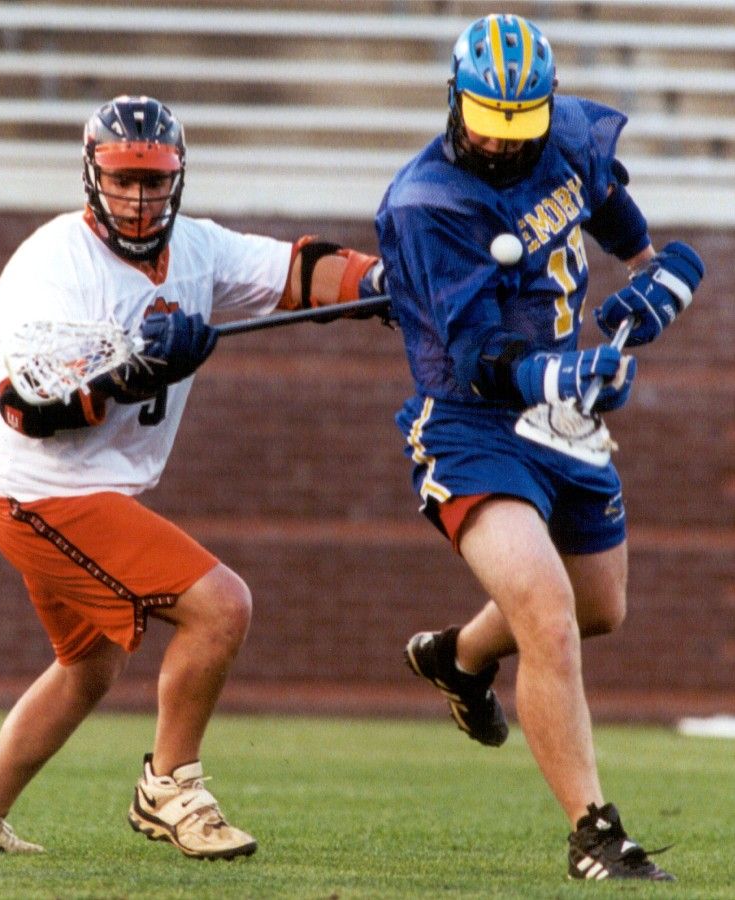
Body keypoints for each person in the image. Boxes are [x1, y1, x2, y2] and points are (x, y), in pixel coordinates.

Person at [0, 95, 384, 860]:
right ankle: (170, 786)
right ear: (92, 177)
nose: (139, 198)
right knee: (220, 607)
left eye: (153, 181)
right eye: (123, 179)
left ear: (177, 179)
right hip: (44, 491)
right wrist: (133, 371)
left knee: (87, 669)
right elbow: (25, 408)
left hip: (82, 490)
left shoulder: (196, 248)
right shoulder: (50, 264)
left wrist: (377, 285)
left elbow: (300, 271)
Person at [375, 14, 704, 882]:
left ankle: (459, 658)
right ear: (454, 101)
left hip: (564, 421)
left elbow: (604, 198)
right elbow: (480, 358)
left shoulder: (562, 136)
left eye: (518, 124)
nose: (501, 142)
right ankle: (594, 833)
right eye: (488, 122)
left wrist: (648, 269)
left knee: (598, 609)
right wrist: (563, 373)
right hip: (470, 422)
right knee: (549, 616)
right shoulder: (427, 202)